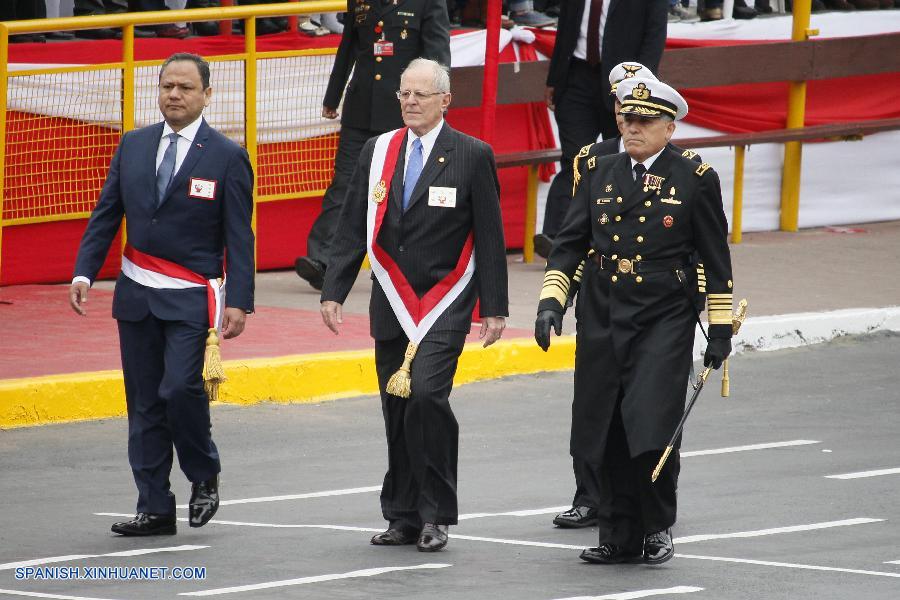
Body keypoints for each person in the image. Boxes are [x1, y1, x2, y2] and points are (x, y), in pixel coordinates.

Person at [535, 77, 734, 565]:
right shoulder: (600, 173)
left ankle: (655, 527)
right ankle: (616, 534)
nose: (633, 129)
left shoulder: (695, 177)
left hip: (663, 314)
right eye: (628, 119)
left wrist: (721, 328)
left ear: (669, 128)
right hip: (604, 311)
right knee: (602, 425)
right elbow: (569, 245)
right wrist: (551, 303)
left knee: (650, 425)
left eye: (646, 121)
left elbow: (715, 257)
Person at [320, 58, 508, 552]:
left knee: (426, 396)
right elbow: (351, 224)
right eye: (404, 93)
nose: (409, 102)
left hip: (445, 299)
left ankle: (436, 512)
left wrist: (495, 306)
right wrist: (334, 288)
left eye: (420, 94)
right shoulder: (377, 151)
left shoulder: (471, 154)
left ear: (445, 100)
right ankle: (402, 514)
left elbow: (490, 233)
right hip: (391, 298)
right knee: (397, 408)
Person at [70, 53, 255, 537]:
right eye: (167, 86)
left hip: (190, 296)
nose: (174, 95)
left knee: (179, 389)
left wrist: (240, 299)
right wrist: (85, 273)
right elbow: (107, 212)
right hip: (136, 293)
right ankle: (154, 506)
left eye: (185, 88)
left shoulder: (226, 156)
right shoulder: (133, 145)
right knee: (144, 404)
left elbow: (241, 235)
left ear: (206, 95)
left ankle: (204, 472)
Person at [294, 0, 451, 291]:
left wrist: (436, 107)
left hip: (403, 111)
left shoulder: (428, 3)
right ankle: (322, 259)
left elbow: (438, 58)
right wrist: (333, 96)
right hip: (361, 107)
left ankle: (401, 261)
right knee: (344, 182)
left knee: (401, 190)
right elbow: (348, 48)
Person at [535, 0, 667, 259]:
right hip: (577, 78)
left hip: (624, 86)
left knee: (623, 160)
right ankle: (557, 236)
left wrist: (640, 89)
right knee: (575, 158)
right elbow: (566, 28)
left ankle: (618, 236)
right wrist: (555, 78)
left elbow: (654, 37)